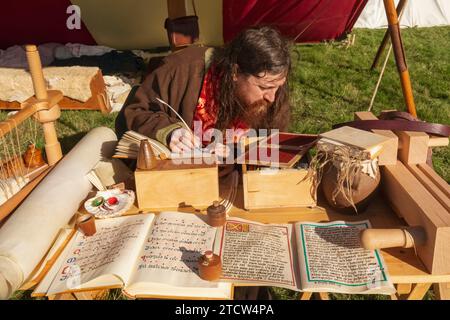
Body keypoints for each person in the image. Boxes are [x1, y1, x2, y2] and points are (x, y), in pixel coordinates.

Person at [115, 26, 291, 156]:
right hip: (178, 177)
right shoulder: (181, 70)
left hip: (237, 182)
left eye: (278, 86)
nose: (272, 97)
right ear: (235, 73)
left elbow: (270, 143)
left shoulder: (272, 86)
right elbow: (135, 111)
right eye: (264, 88)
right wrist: (170, 132)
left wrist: (235, 151)